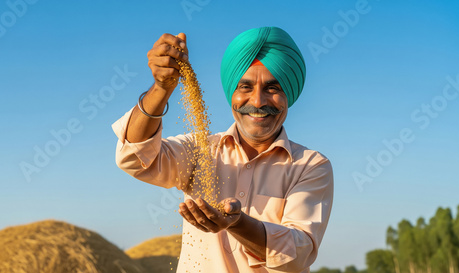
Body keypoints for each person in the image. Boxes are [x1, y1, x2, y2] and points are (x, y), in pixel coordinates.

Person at [112, 26, 333, 273]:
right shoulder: (200, 150)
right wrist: (161, 88)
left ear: (289, 94)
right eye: (245, 87)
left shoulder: (310, 166)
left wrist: (237, 224)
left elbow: (297, 254)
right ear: (232, 94)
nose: (258, 102)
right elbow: (134, 157)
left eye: (273, 88)